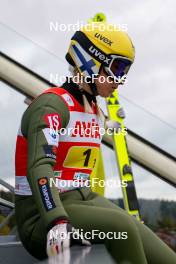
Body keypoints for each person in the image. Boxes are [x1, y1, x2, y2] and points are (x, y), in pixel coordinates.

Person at [14, 21, 176, 264]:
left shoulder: (93, 110)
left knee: (152, 244)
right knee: (122, 227)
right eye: (117, 68)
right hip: (41, 216)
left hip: (83, 198)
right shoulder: (51, 106)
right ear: (91, 61)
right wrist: (57, 220)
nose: (119, 80)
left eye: (125, 72)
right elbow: (39, 166)